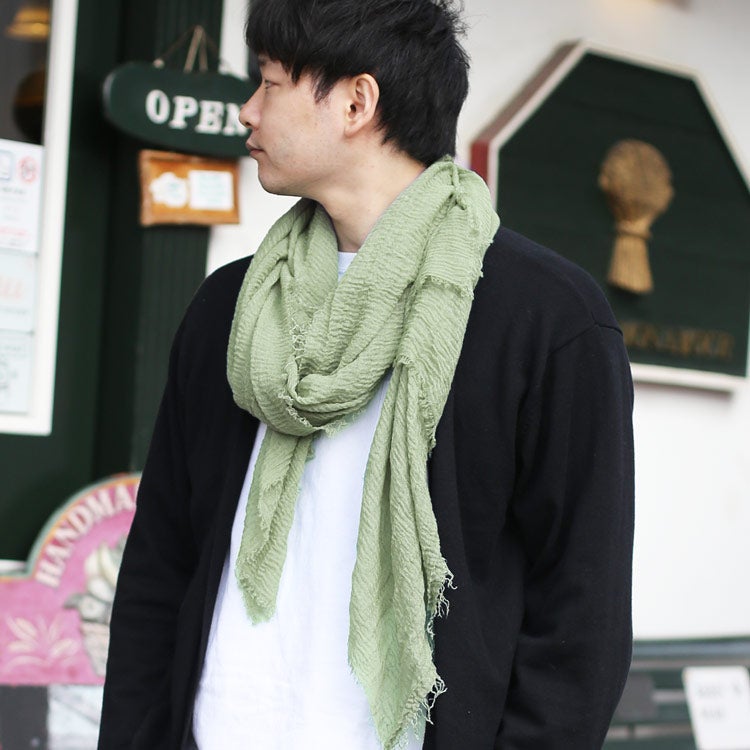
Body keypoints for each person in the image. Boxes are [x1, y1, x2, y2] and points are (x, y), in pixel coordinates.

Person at [98, 0, 635, 748]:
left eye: (270, 82)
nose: (247, 110)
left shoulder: (544, 319)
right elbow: (161, 566)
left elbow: (581, 613)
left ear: (356, 102)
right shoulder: (230, 309)